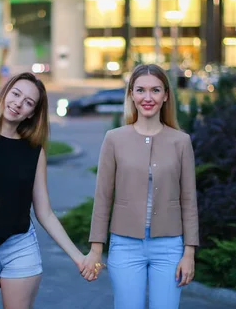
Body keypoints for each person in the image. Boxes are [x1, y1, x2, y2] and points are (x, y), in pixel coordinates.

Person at [0, 72, 87, 309]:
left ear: (31, 113)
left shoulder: (34, 151)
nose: (18, 104)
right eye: (16, 94)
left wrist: (79, 257)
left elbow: (45, 213)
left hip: (19, 250)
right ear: (4, 93)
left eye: (28, 102)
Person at [82, 64, 199, 308]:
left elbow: (189, 200)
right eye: (141, 90)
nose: (148, 97)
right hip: (125, 245)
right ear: (131, 95)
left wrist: (189, 253)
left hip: (169, 246)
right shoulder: (114, 139)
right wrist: (95, 249)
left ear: (166, 95)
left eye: (155, 90)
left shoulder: (181, 141)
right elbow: (103, 197)